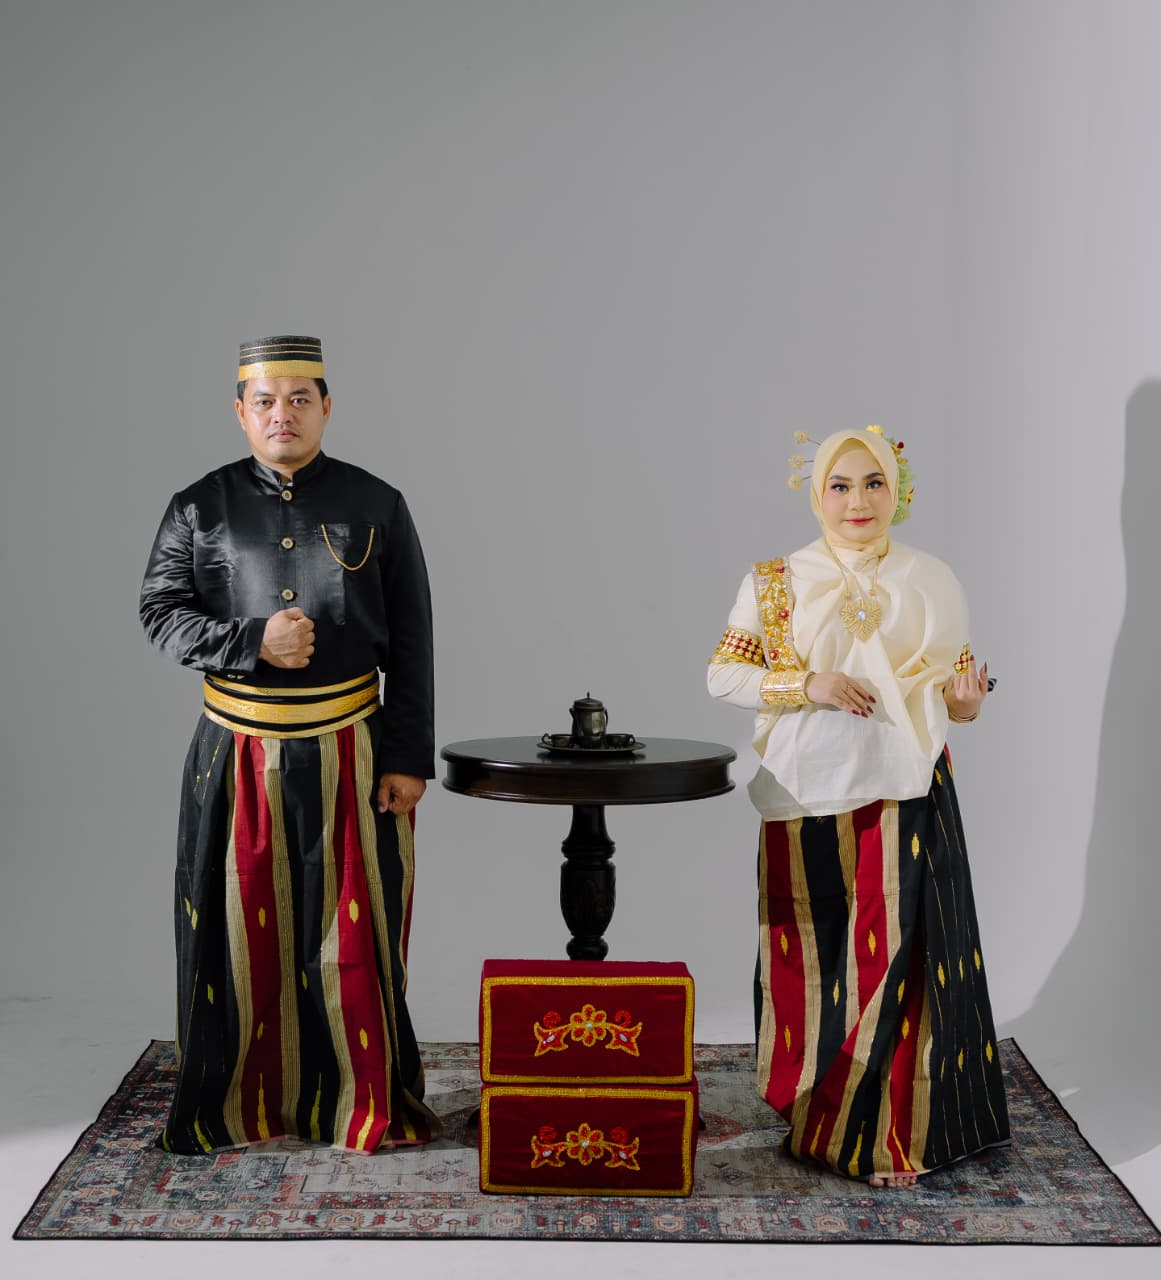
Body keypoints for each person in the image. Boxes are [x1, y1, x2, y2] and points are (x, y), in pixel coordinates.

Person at [140, 335, 439, 1153]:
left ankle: (357, 1100)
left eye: (300, 398)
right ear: (240, 412)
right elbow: (159, 615)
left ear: (327, 408)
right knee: (232, 928)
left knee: (352, 933)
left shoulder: (377, 503)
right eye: (266, 401)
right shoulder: (198, 508)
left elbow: (413, 638)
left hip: (353, 749)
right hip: (234, 752)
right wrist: (252, 643)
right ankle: (237, 1103)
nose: (283, 415)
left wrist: (408, 758)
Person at [707, 425, 1009, 1188]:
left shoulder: (930, 579)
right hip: (801, 789)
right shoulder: (775, 581)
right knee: (807, 956)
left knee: (895, 962)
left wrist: (966, 703)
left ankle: (888, 1138)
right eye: (839, 486)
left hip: (903, 785)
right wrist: (806, 684)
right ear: (817, 494)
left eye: (872, 483)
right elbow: (722, 675)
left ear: (895, 491)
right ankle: (816, 1112)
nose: (856, 501)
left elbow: (955, 698)